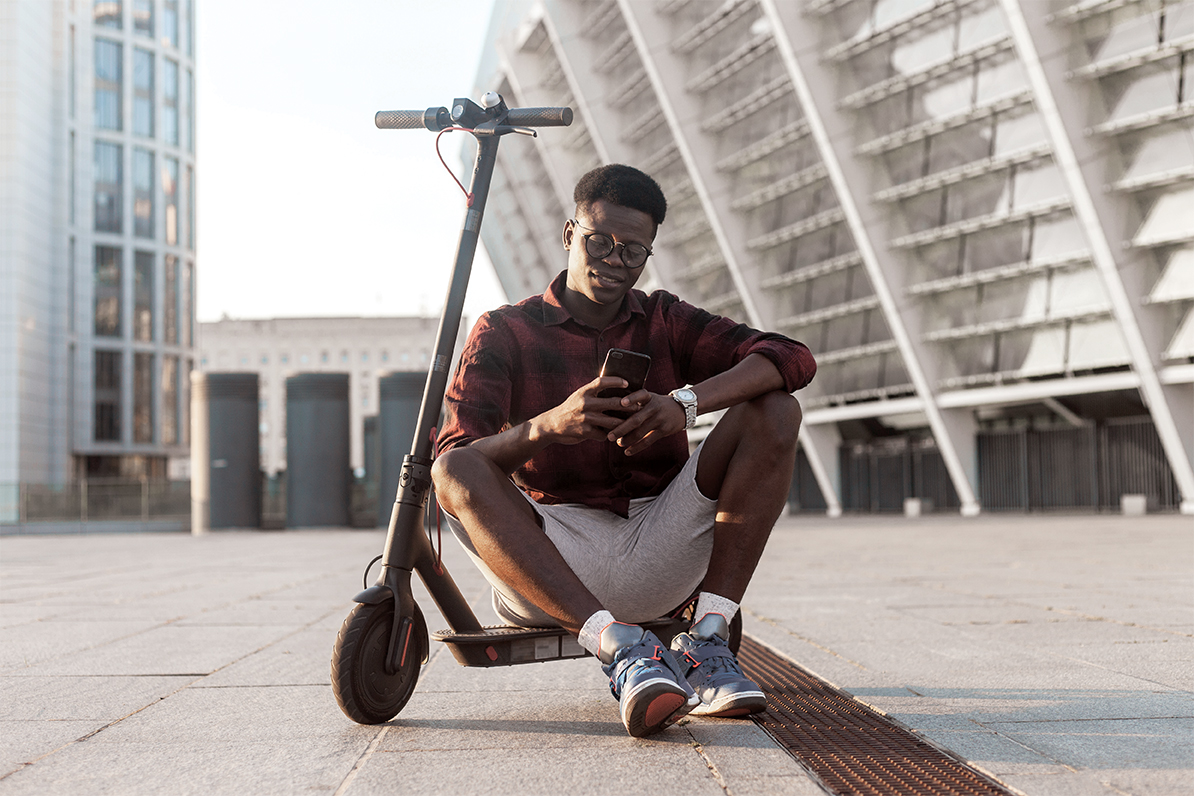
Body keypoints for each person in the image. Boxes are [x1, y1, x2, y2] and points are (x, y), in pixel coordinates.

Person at [432, 163, 816, 738]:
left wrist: (683, 404)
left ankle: (707, 641)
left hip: (658, 536)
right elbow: (455, 463)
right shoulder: (504, 330)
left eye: (632, 252)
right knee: (454, 466)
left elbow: (792, 357)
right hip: (552, 552)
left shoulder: (664, 318)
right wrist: (546, 428)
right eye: (599, 242)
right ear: (569, 234)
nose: (613, 261)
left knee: (776, 407)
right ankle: (621, 650)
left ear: (648, 255)